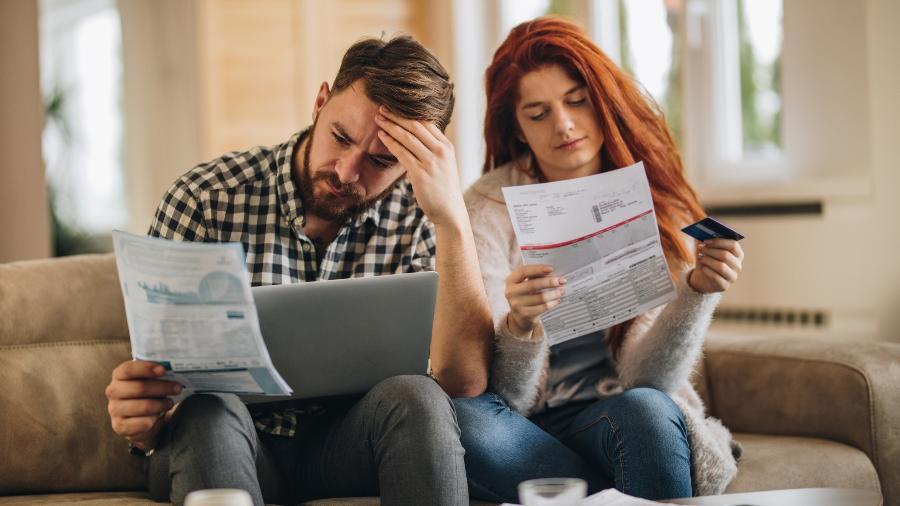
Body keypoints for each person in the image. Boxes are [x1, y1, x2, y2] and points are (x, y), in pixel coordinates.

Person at [104, 35, 493, 506]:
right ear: (320, 102)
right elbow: (155, 387)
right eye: (341, 138)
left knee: (418, 397)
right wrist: (142, 420)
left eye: (380, 161)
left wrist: (451, 219)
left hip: (348, 444)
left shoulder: (421, 214)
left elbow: (464, 381)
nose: (347, 172)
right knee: (208, 411)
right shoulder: (206, 199)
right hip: (224, 436)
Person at [454, 17, 745, 502]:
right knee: (464, 423)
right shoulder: (486, 207)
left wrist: (697, 293)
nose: (563, 124)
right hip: (528, 428)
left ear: (600, 101)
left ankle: (574, 492)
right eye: (538, 113)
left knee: (647, 412)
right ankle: (611, 490)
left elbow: (648, 382)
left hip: (623, 415)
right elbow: (501, 397)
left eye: (576, 100)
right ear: (519, 130)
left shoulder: (652, 198)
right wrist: (521, 325)